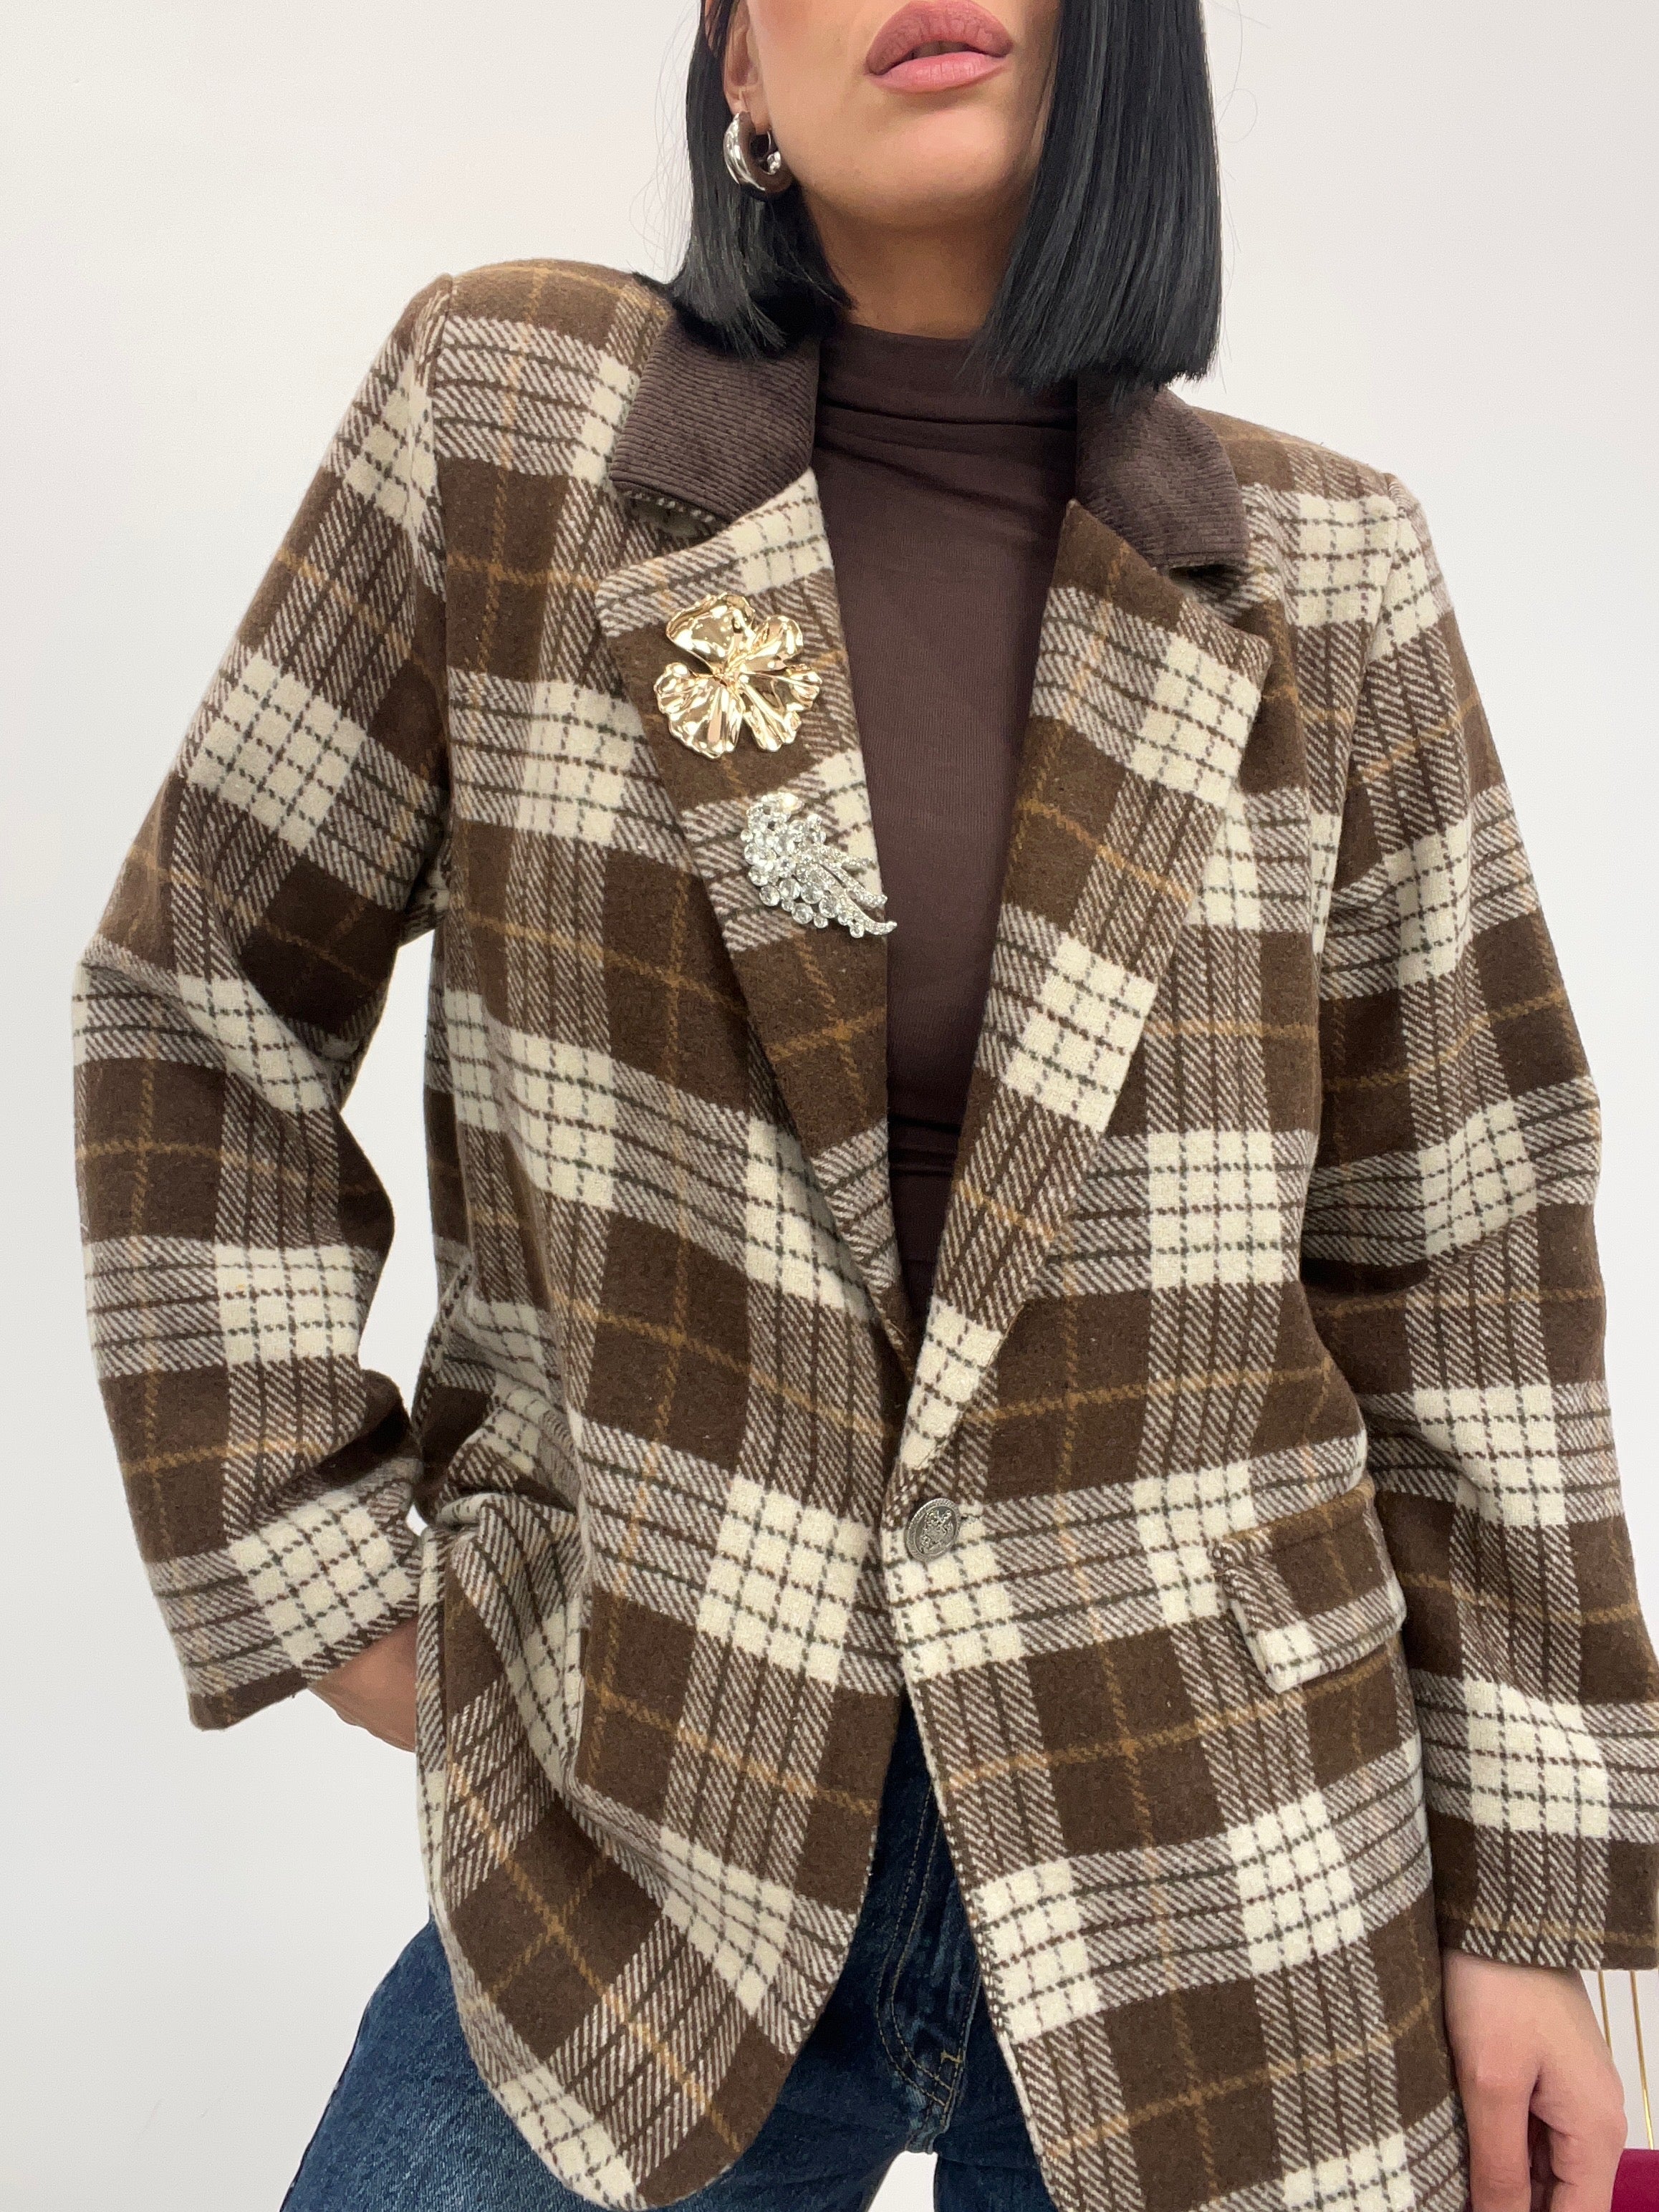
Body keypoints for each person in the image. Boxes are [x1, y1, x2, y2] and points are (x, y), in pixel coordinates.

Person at [69, 1, 1659, 2208]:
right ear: (739, 70)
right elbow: (201, 989)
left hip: (1234, 1859)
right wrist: (310, 1566)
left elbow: (1462, 1249)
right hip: (635, 1817)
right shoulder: (510, 412)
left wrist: (1531, 1910)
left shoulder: (1326, 564)